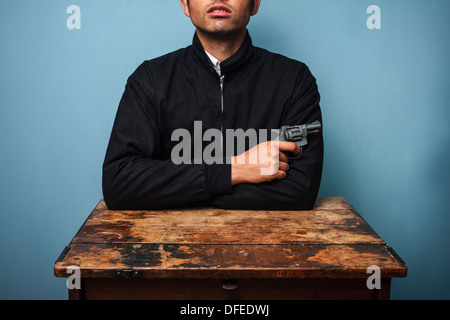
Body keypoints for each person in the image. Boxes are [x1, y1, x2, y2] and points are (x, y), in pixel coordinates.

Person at [102, 0, 324, 210]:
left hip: (271, 243)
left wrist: (176, 190)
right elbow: (119, 183)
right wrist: (233, 171)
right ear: (185, 4)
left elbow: (300, 189)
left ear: (254, 3)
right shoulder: (149, 80)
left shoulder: (294, 79)